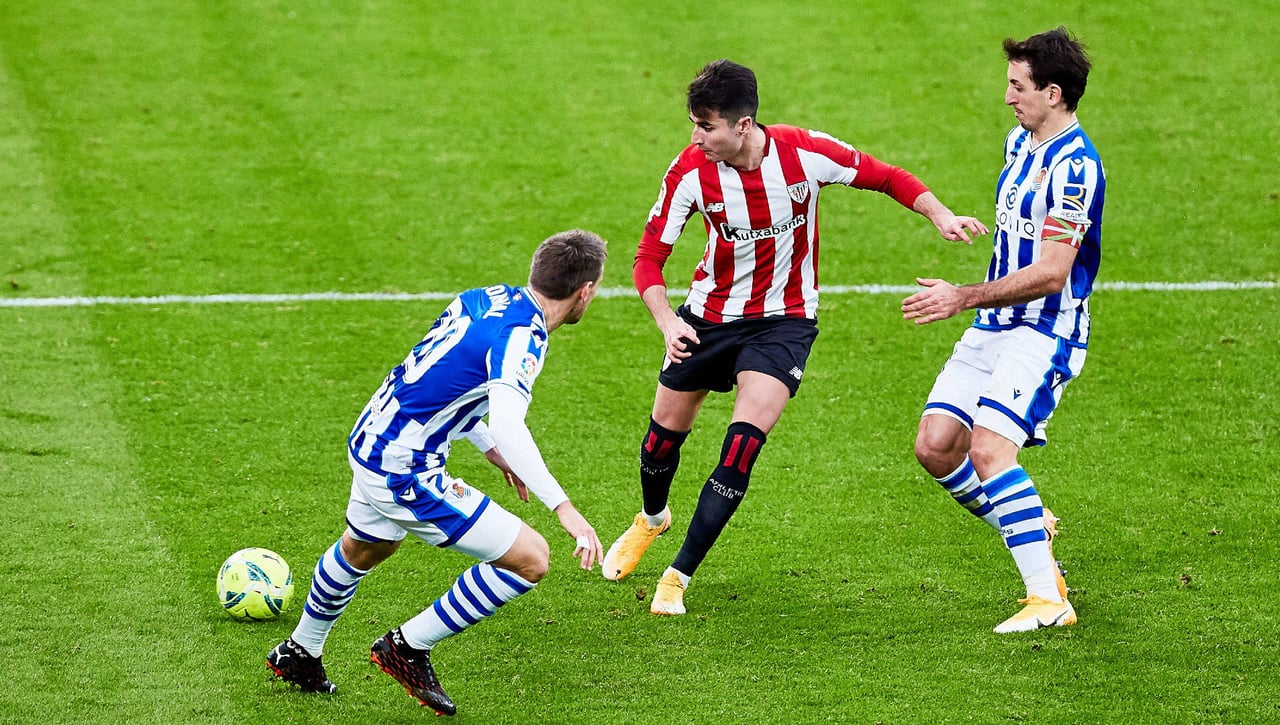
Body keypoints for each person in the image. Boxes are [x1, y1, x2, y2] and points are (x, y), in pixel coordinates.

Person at [600, 59, 987, 616]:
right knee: (661, 442)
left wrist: (939, 214)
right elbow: (648, 257)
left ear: (743, 125)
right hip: (705, 319)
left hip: (783, 323)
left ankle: (677, 576)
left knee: (741, 448)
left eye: (706, 126)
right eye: (693, 124)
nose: (696, 137)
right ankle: (652, 518)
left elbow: (885, 176)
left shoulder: (805, 152)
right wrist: (668, 321)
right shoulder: (690, 171)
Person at [266, 230, 608, 715]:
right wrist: (564, 507)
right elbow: (509, 421)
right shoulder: (522, 337)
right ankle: (406, 647)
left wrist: (489, 448)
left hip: (372, 437)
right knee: (532, 559)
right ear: (585, 291)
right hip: (404, 468)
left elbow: (442, 379)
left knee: (366, 547)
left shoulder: (484, 298)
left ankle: (301, 650)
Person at [902, 27, 1105, 633]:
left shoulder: (1075, 169)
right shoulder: (1020, 142)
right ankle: (1031, 527)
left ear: (1053, 93)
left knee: (991, 451)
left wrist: (961, 296)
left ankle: (1048, 599)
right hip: (993, 324)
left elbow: (1052, 272)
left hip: (1044, 331)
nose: (1009, 96)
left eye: (1019, 86)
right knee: (936, 445)